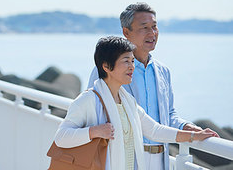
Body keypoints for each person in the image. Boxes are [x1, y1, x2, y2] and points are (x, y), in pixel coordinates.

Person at [86, 3, 218, 170]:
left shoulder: (163, 71)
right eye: (144, 27)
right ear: (126, 32)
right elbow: (93, 113)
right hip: (122, 158)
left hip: (160, 159)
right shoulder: (107, 70)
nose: (152, 33)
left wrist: (186, 127)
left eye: (154, 27)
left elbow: (168, 115)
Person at [54, 36, 217, 170]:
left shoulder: (127, 101)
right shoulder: (88, 100)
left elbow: (154, 130)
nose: (131, 67)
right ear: (106, 67)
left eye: (132, 61)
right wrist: (94, 131)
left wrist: (195, 136)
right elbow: (61, 137)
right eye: (126, 61)